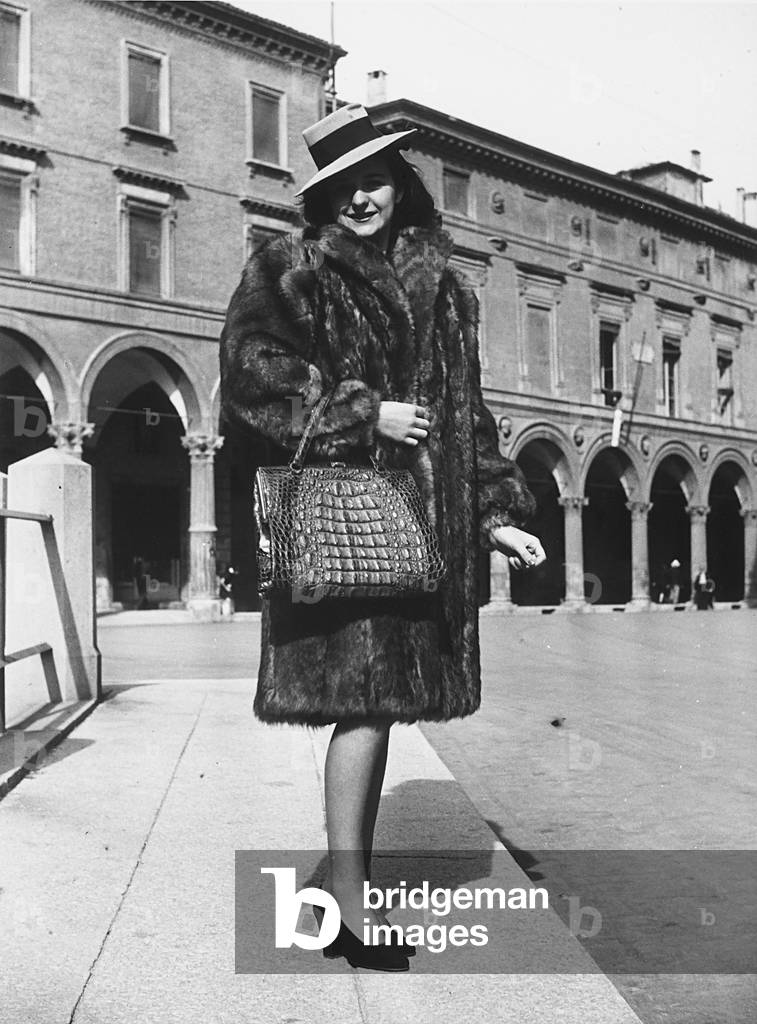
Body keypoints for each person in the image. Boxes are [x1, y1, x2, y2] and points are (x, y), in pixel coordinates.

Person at [219, 103, 546, 971]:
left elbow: (465, 415)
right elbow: (251, 378)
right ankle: (352, 903)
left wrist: (496, 515)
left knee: (386, 704)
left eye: (375, 179)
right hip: (348, 519)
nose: (362, 198)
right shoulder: (289, 264)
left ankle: (337, 878)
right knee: (363, 706)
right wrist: (363, 413)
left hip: (425, 537)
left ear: (400, 181)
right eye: (344, 186)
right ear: (324, 195)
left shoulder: (445, 284)